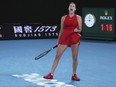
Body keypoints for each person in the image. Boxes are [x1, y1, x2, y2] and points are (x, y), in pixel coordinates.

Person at [43, 2, 82, 81]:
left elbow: (80, 29)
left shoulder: (78, 17)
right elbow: (61, 30)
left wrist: (75, 30)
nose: (71, 7)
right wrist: (58, 41)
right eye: (70, 6)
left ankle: (74, 74)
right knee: (57, 56)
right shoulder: (63, 18)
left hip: (74, 37)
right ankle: (51, 74)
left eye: (73, 6)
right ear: (68, 8)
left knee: (75, 57)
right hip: (64, 37)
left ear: (75, 9)